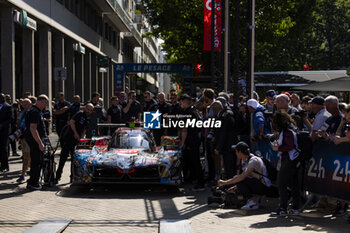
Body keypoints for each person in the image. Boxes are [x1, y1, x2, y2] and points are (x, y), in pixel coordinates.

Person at [217, 142, 272, 210]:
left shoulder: (253, 160)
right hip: (257, 183)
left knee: (239, 179)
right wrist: (235, 187)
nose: (235, 153)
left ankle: (253, 202)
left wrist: (224, 182)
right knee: (236, 181)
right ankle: (254, 199)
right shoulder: (244, 160)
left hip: (264, 186)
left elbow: (242, 177)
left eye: (236, 151)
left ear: (240, 152)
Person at [271, 111, 300, 216]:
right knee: (293, 184)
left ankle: (283, 208)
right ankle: (294, 207)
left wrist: (278, 148)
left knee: (282, 183)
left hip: (289, 159)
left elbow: (290, 146)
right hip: (292, 159)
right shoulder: (290, 130)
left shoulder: (287, 131)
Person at [55, 103, 93, 184]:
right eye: (88, 109)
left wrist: (81, 138)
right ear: (85, 108)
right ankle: (57, 177)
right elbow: (71, 122)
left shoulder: (87, 118)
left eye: (90, 110)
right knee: (63, 158)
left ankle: (72, 177)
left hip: (76, 141)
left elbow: (84, 129)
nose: (89, 111)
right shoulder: (79, 114)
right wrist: (75, 133)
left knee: (74, 160)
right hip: (69, 138)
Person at [179, 94, 205, 191]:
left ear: (185, 102)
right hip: (194, 139)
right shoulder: (193, 112)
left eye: (181, 102)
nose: (180, 104)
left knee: (195, 161)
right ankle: (193, 179)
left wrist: (182, 142)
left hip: (191, 140)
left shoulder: (188, 113)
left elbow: (184, 129)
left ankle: (200, 183)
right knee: (192, 161)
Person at [24, 95, 49, 190]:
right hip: (34, 140)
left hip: (34, 139)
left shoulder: (35, 111)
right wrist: (40, 143)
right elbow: (33, 128)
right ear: (40, 101)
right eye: (45, 103)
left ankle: (33, 181)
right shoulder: (35, 112)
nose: (46, 105)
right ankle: (33, 183)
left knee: (37, 160)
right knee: (36, 161)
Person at [212, 101, 238, 179]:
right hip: (231, 143)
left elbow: (222, 134)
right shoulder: (227, 114)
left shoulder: (223, 117)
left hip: (227, 145)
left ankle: (230, 184)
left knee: (229, 166)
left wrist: (218, 147)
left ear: (215, 109)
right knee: (230, 166)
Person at [16, 99, 32, 183]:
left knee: (26, 157)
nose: (24, 106)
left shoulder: (32, 112)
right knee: (26, 157)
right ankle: (26, 171)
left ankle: (23, 175)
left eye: (25, 104)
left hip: (29, 137)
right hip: (23, 137)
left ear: (30, 104)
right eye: (23, 105)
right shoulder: (24, 112)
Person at [0, 93, 13, 172]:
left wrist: (2, 125)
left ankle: (5, 166)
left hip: (4, 130)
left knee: (4, 148)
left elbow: (10, 119)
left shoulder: (8, 107)